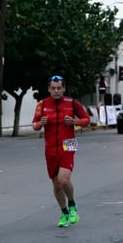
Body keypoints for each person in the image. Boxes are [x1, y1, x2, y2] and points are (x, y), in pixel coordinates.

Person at [32, 75, 90, 228]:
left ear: (64, 88)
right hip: (50, 148)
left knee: (64, 179)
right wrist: (40, 123)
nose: (56, 91)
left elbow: (86, 120)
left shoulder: (72, 103)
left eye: (59, 88)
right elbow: (34, 124)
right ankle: (64, 212)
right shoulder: (42, 104)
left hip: (68, 144)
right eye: (53, 88)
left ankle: (72, 205)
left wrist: (75, 122)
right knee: (57, 185)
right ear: (49, 89)